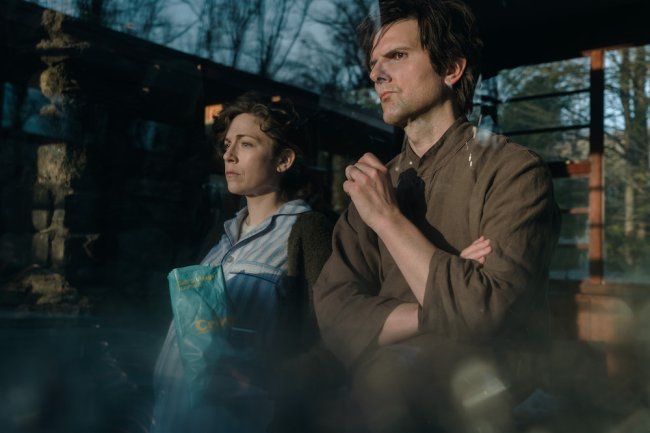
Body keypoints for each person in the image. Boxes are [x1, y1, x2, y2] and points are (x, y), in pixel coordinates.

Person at [312, 1, 561, 432]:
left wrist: (389, 220)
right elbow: (334, 310)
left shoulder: (514, 171)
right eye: (374, 63)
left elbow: (485, 312)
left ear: (451, 69)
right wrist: (438, 304)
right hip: (376, 404)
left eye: (397, 56)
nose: (376, 74)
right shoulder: (378, 181)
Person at [151, 93, 336, 433]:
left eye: (246, 144)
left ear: (283, 160)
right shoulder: (220, 236)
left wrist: (270, 381)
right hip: (171, 417)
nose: (229, 155)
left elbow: (335, 339)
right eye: (226, 144)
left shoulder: (307, 232)